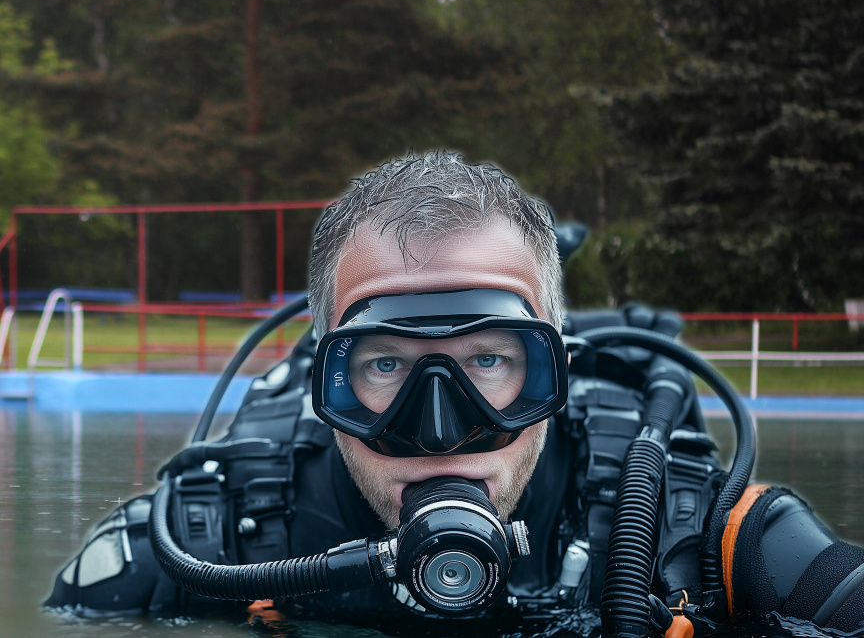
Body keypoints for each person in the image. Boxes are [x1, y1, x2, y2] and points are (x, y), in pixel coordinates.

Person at [45, 152, 864, 634]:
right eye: (385, 365)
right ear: (327, 379)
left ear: (555, 374)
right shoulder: (204, 545)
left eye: (488, 361)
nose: (440, 432)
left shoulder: (694, 538)